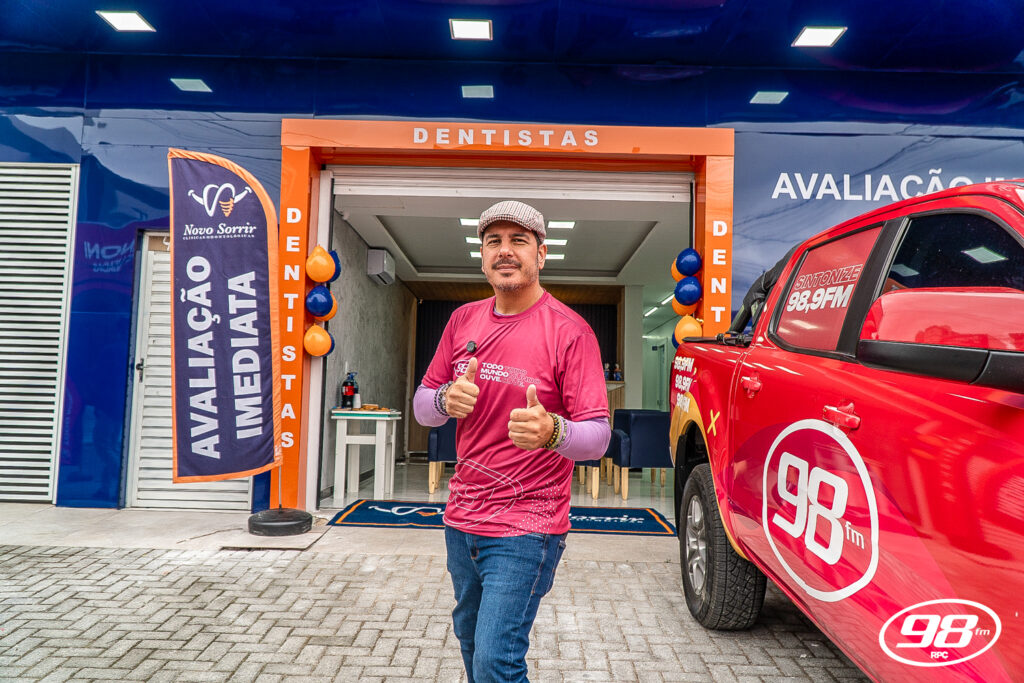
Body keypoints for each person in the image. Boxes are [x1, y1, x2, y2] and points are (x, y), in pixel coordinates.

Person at [413, 199, 611, 682]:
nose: (504, 251)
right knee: (469, 638)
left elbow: (598, 437)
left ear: (541, 254)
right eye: (493, 242)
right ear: (482, 257)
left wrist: (552, 431)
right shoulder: (462, 321)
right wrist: (444, 399)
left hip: (527, 526)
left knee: (495, 659)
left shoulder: (570, 331)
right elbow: (422, 407)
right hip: (461, 518)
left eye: (518, 241)